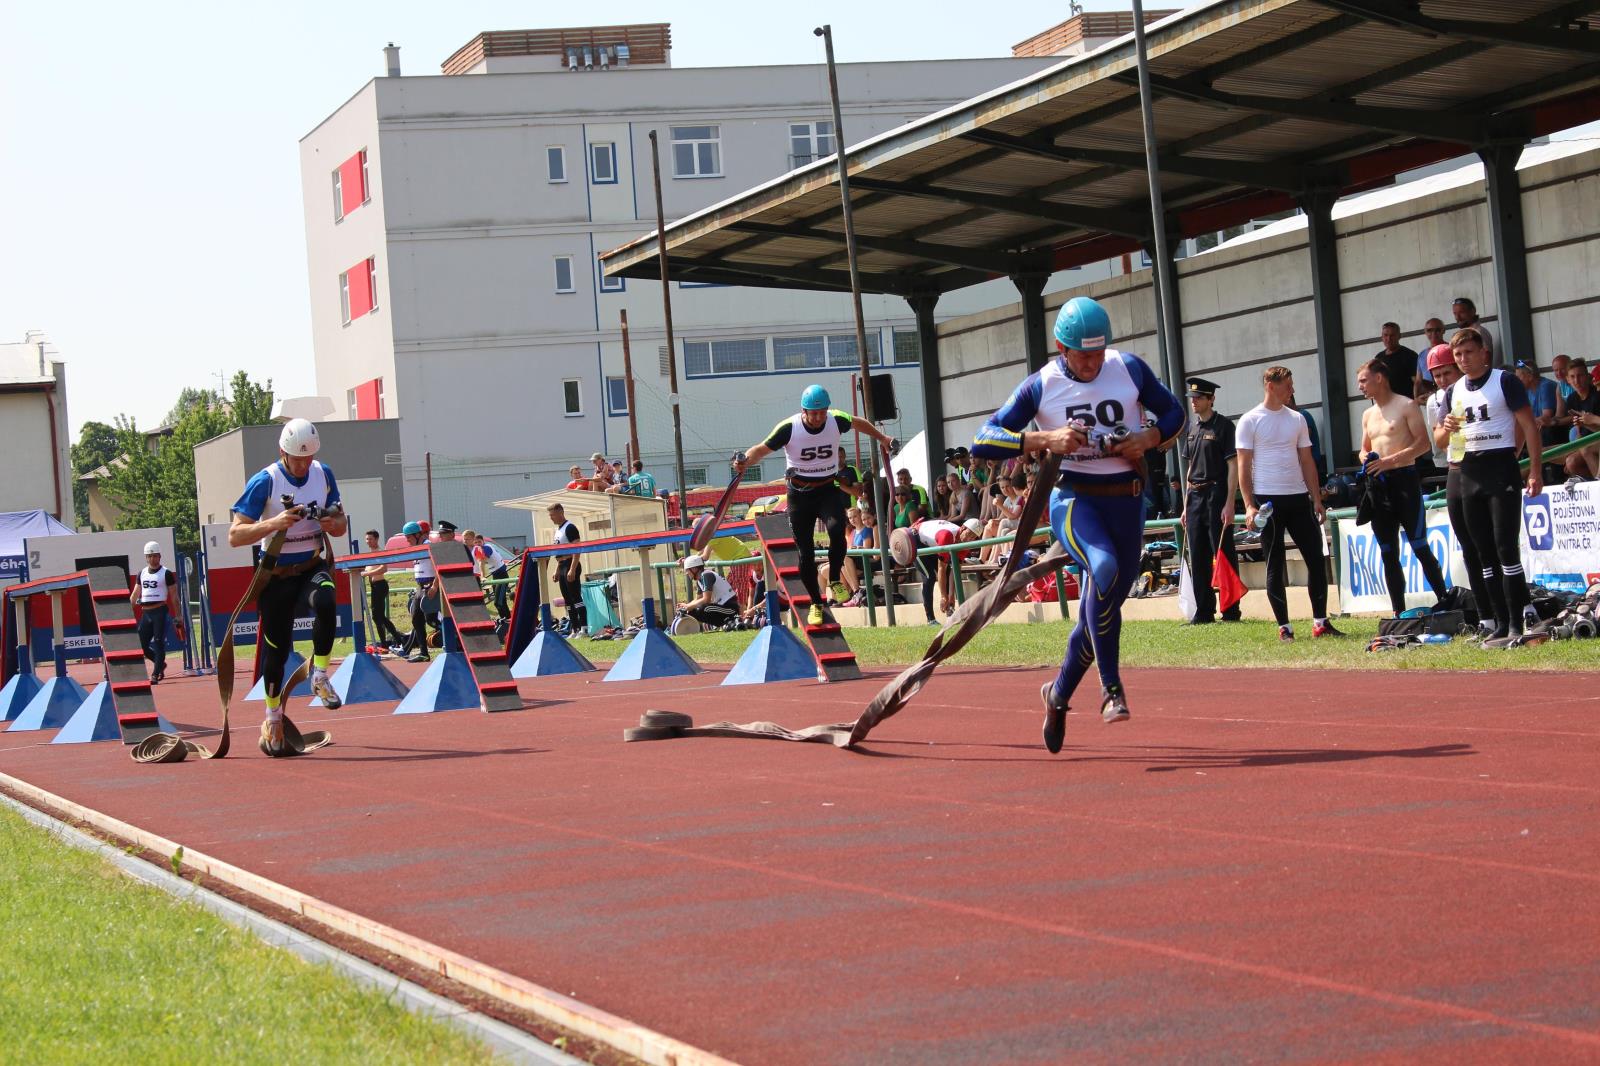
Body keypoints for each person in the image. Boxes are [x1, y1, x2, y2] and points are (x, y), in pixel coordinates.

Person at [971, 296, 1185, 753]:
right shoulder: (1040, 385)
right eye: (1082, 355)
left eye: (1098, 352)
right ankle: (1111, 689)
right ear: (1061, 348)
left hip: (1128, 501)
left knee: (1098, 613)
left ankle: (1058, 694)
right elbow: (983, 439)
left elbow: (1174, 414)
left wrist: (1146, 438)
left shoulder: (1128, 367)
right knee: (1103, 569)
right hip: (1073, 500)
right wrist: (1042, 438)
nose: (1092, 363)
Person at [732, 385, 897, 626]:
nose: (819, 417)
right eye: (814, 413)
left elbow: (859, 422)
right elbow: (760, 449)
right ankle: (816, 603)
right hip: (799, 495)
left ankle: (834, 580)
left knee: (836, 531)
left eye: (822, 412)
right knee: (805, 554)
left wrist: (882, 438)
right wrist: (745, 461)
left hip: (827, 489)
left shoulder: (835, 420)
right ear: (804, 411)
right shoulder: (789, 428)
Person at [228, 418, 347, 751]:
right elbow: (235, 535)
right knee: (276, 652)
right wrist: (275, 523)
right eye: (297, 459)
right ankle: (273, 718)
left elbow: (341, 523)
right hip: (277, 576)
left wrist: (330, 521)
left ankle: (320, 676)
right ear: (282, 452)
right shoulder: (265, 481)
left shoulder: (323, 473)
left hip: (312, 567)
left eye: (308, 458)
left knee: (326, 602)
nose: (303, 465)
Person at [1435, 326, 1542, 642]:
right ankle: (1496, 622)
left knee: (1505, 548)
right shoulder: (1454, 391)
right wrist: (1446, 427)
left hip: (1500, 469)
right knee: (1483, 553)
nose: (1463, 359)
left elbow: (1529, 426)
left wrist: (1534, 469)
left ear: (1484, 352)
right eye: (1458, 355)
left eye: (1469, 352)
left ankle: (1515, 622)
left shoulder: (1504, 381)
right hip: (1468, 472)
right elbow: (1441, 440)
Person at [1236, 366, 1340, 641]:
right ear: (1271, 385)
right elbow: (1243, 467)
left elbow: (1307, 461)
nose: (1292, 391)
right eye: (1287, 386)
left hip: (1297, 497)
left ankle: (1320, 621)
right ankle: (1285, 626)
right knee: (1274, 563)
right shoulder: (1249, 420)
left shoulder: (1297, 419)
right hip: (1267, 499)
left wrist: (1316, 497)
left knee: (1317, 560)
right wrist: (1249, 505)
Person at [1357, 359, 1450, 615]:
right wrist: (1365, 457)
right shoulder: (1367, 414)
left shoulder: (1406, 405)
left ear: (1380, 378)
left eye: (1364, 381)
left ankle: (1444, 599)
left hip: (1405, 480)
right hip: (1380, 485)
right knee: (1388, 552)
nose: (1361, 387)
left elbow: (1423, 445)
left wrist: (1390, 461)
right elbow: (1364, 447)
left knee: (1420, 545)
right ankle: (1398, 611)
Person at [1179, 376, 1242, 624]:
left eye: (1199, 398)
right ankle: (1203, 611)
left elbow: (1233, 466)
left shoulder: (1224, 427)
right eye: (1192, 398)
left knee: (1223, 551)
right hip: (1195, 495)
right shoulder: (1192, 430)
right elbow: (1189, 470)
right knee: (1198, 554)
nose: (1194, 402)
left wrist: (1229, 502)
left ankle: (1231, 610)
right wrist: (1185, 505)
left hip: (1216, 492)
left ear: (1211, 399)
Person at [130, 541, 183, 684]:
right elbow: (135, 594)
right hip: (146, 614)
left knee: (159, 643)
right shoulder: (141, 573)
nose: (152, 559)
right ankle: (161, 664)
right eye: (149, 556)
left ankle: (155, 674)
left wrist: (178, 615)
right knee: (141, 645)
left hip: (160, 612)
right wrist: (127, 610)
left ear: (159, 556)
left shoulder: (166, 573)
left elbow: (174, 596)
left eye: (154, 556)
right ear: (146, 557)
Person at [398, 520, 436, 662]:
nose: (407, 541)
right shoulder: (415, 548)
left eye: (409, 537)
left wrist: (435, 586)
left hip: (430, 585)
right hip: (420, 587)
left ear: (418, 534)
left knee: (432, 619)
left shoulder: (429, 547)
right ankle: (423, 653)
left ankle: (453, 644)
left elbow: (438, 568)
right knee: (416, 619)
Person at [361, 529, 404, 650]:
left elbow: (384, 568)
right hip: (374, 586)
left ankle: (392, 640)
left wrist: (366, 573)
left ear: (376, 539)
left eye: (370, 539)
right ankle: (388, 641)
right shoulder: (369, 553)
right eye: (367, 539)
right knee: (378, 616)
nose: (368, 541)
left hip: (380, 585)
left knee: (378, 616)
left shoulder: (380, 552)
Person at [547, 502, 586, 634]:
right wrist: (557, 570)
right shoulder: (558, 530)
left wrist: (573, 569)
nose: (551, 518)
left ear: (560, 512)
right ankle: (575, 629)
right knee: (567, 599)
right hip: (562, 565)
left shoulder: (570, 528)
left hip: (570, 563)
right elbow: (559, 551)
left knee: (576, 597)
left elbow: (577, 548)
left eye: (552, 515)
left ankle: (584, 628)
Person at [675, 555, 740, 631]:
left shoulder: (706, 575)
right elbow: (697, 599)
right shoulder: (700, 579)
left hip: (730, 608)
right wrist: (686, 607)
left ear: (694, 568)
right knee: (691, 611)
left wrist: (689, 606)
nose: (686, 573)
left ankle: (727, 622)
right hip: (721, 608)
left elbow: (706, 600)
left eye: (687, 570)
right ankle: (719, 625)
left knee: (705, 608)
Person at [464, 529, 515, 622]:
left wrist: (482, 576)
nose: (478, 543)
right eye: (476, 542)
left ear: (483, 541)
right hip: (496, 575)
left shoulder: (486, 547)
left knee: (499, 602)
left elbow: (481, 562)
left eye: (479, 541)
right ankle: (506, 620)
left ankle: (507, 620)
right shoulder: (478, 549)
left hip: (502, 576)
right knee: (500, 602)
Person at [1373, 322, 1419, 399]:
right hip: (1385, 403)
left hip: (1406, 403)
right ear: (1382, 337)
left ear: (1399, 336)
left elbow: (1417, 382)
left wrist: (1416, 401)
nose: (1389, 339)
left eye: (1392, 335)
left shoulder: (1410, 355)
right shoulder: (1378, 358)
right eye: (1386, 335)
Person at [1451, 297, 1495, 365]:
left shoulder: (1480, 332)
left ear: (1472, 311)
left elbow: (1486, 362)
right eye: (1455, 313)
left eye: (1461, 312)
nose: (1457, 317)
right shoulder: (1460, 334)